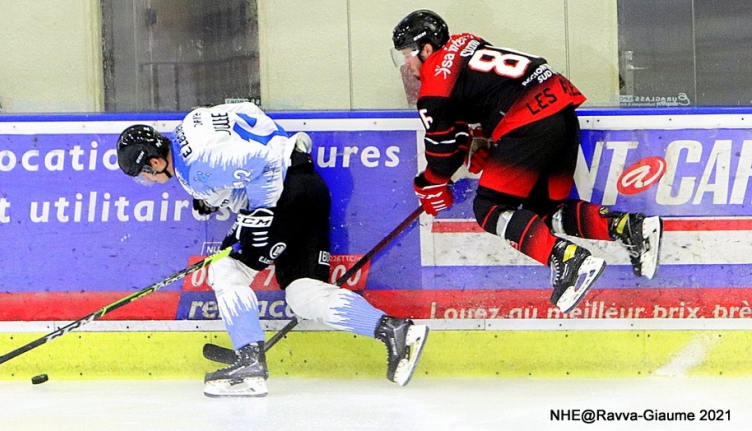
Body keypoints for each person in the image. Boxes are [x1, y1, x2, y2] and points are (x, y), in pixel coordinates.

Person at [115, 102, 429, 397]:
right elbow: (249, 115)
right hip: (309, 184)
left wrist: (259, 214)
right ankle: (395, 330)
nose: (149, 181)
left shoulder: (196, 170)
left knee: (225, 269)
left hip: (283, 197)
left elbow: (260, 163)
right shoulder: (191, 124)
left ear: (155, 161)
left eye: (144, 175)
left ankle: (250, 363)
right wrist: (212, 197)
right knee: (303, 292)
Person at [391, 10, 663, 313]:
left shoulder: (435, 86)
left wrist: (430, 183)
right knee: (543, 210)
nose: (406, 64)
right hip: (560, 111)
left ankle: (569, 260)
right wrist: (483, 136)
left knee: (489, 208)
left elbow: (443, 155)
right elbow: (493, 92)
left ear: (426, 48)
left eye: (407, 54)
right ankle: (630, 228)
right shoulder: (466, 43)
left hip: (528, 124)